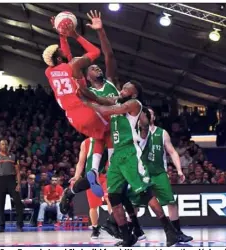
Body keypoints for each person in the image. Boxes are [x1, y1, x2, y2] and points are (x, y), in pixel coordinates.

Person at [81, 81, 178, 247]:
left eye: (126, 89)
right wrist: (81, 90)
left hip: (130, 152)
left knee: (145, 193)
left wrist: (85, 103)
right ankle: (127, 237)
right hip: (117, 154)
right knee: (114, 197)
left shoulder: (134, 104)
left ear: (133, 94)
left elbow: (106, 109)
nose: (122, 89)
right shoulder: (117, 101)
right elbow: (100, 98)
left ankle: (169, 230)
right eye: (122, 87)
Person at [57, 10, 120, 196]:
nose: (96, 67)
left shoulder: (110, 81)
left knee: (110, 170)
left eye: (97, 66)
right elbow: (70, 61)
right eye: (92, 67)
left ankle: (82, 182)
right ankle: (77, 187)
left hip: (115, 130)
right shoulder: (85, 91)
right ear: (86, 76)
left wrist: (101, 31)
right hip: (103, 128)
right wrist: (64, 37)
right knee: (102, 169)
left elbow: (109, 55)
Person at [132, 107, 193, 243]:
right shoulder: (135, 132)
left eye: (150, 114)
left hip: (159, 173)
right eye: (144, 114)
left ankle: (177, 233)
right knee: (134, 205)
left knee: (171, 202)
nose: (147, 116)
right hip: (140, 174)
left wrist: (179, 170)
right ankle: (131, 233)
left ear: (153, 117)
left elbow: (172, 152)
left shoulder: (162, 133)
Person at [0, 140, 24, 232]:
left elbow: (18, 171)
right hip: (0, 181)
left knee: (18, 203)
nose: (4, 146)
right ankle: (1, 226)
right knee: (0, 205)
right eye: (2, 144)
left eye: (6, 144)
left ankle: (19, 225)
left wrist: (18, 184)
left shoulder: (13, 157)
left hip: (12, 181)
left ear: (8, 146)